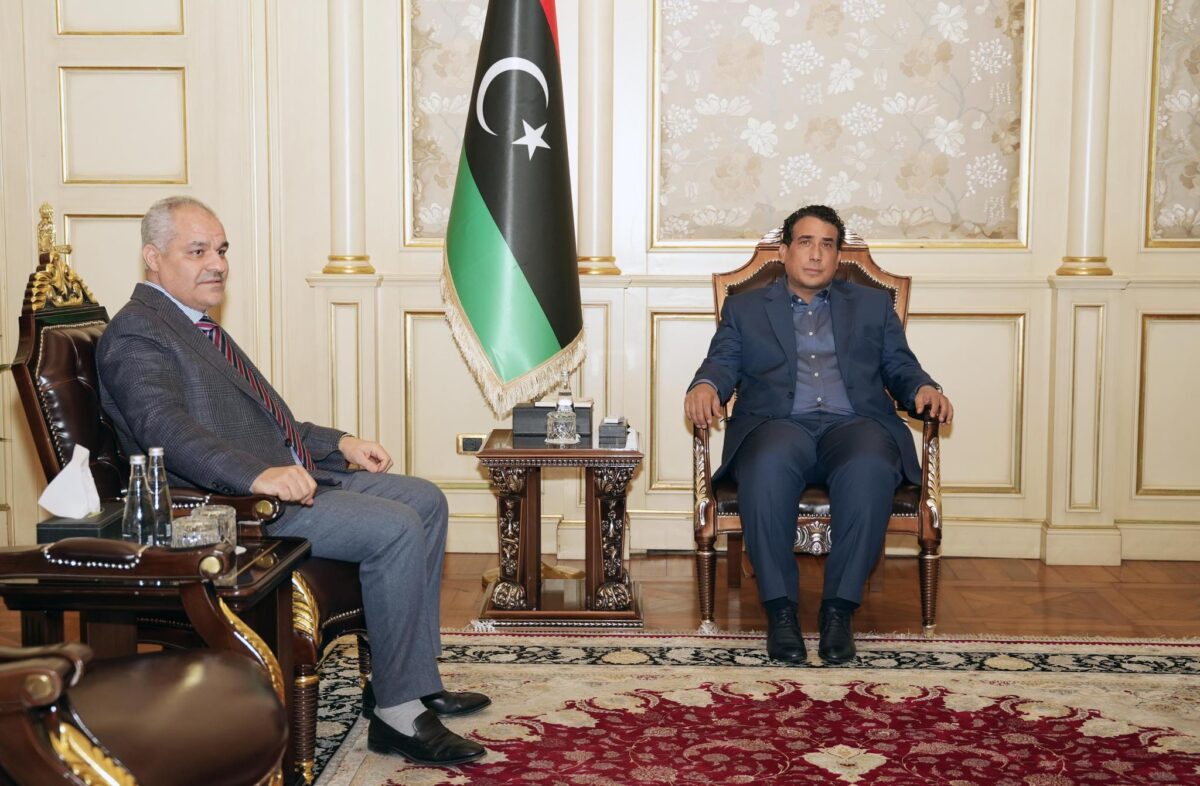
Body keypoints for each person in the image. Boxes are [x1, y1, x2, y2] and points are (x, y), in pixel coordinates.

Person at [96, 196, 488, 766]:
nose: (217, 264)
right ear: (153, 258)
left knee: (425, 499)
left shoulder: (193, 326)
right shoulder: (138, 333)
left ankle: (411, 680)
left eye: (222, 250)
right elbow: (167, 432)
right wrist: (257, 476)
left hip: (281, 479)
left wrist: (340, 443)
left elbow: (267, 423)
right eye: (198, 251)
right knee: (397, 526)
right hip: (225, 504)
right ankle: (397, 715)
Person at [684, 204, 953, 665]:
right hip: (778, 424)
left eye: (827, 245)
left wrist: (925, 388)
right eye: (805, 242)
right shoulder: (746, 307)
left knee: (870, 466)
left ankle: (838, 612)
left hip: (854, 425)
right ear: (785, 252)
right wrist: (706, 385)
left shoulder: (872, 305)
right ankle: (781, 612)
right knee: (766, 465)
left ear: (838, 256)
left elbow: (900, 365)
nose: (815, 254)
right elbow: (722, 361)